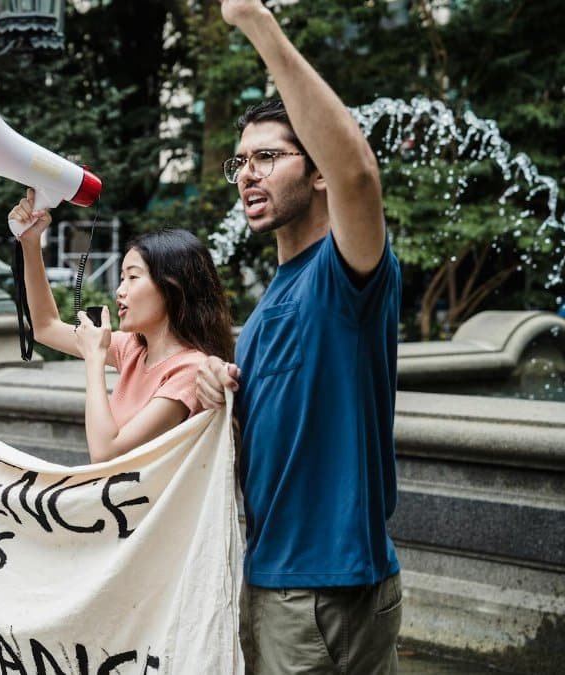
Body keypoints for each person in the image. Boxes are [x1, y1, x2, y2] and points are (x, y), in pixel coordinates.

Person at [194, 1, 403, 673]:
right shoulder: (261, 314)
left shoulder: (345, 276)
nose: (247, 173)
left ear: (315, 174)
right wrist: (218, 396)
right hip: (273, 579)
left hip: (323, 590)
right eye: (240, 162)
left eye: (267, 157)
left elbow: (360, 174)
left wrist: (255, 21)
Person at [9, 189, 234, 463]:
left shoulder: (189, 371)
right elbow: (45, 327)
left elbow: (105, 454)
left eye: (132, 278)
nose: (119, 291)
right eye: (121, 278)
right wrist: (30, 242)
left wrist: (94, 360)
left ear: (171, 288)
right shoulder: (134, 348)